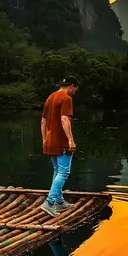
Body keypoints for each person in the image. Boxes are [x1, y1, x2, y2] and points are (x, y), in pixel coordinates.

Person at [40, 76, 79, 216]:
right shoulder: (66, 98)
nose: (75, 92)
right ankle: (49, 202)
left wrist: (45, 139)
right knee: (64, 172)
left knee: (57, 171)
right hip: (61, 141)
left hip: (50, 140)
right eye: (75, 89)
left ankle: (59, 202)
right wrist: (70, 140)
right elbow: (64, 119)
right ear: (72, 86)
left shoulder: (50, 97)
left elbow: (43, 121)